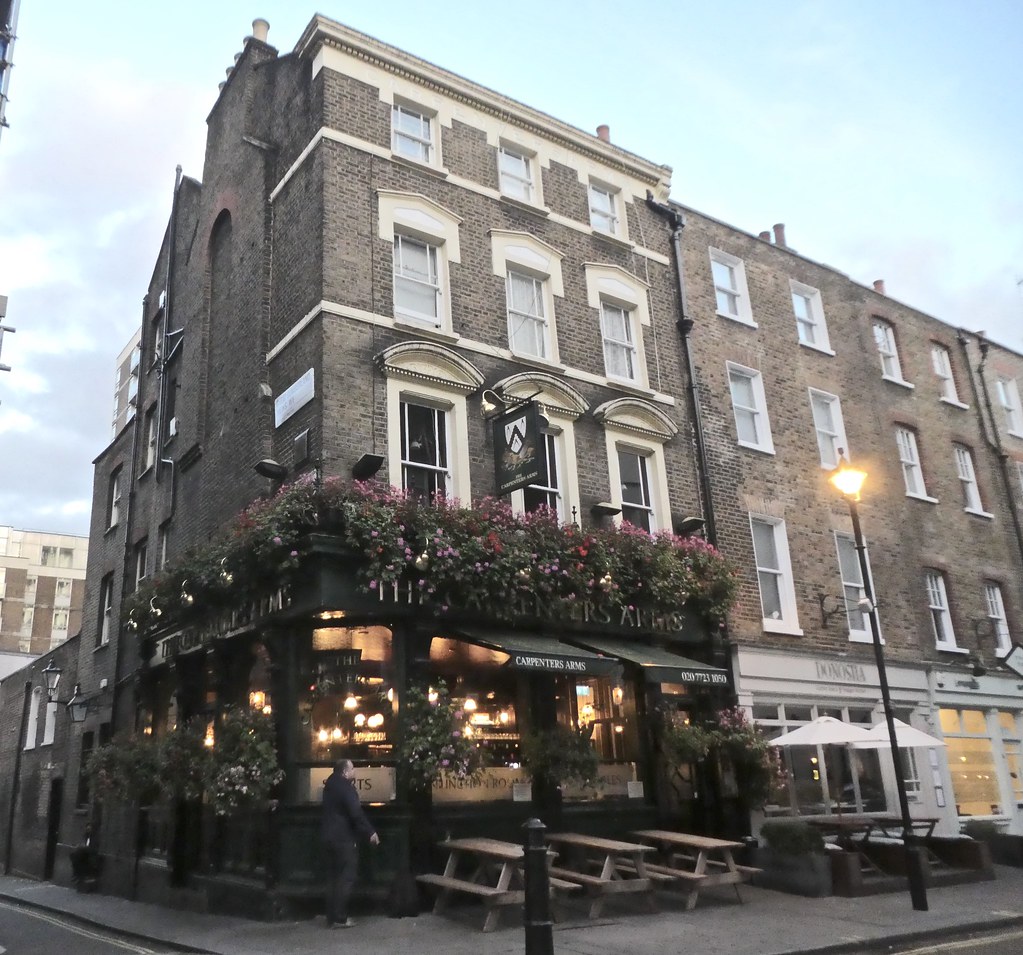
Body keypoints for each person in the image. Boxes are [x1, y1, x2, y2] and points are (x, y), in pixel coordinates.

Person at [322, 758, 379, 929]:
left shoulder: (330, 785)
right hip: (344, 838)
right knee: (346, 877)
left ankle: (331, 916)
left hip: (328, 836)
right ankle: (340, 917)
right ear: (345, 772)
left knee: (332, 878)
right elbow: (356, 813)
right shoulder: (346, 788)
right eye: (353, 768)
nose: (355, 772)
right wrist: (370, 832)